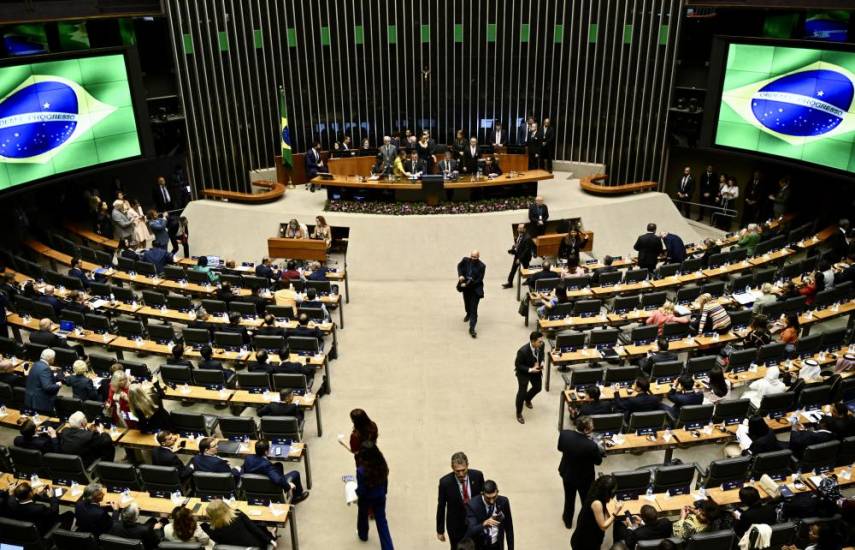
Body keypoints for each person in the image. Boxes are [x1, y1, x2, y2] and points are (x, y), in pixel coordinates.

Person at [557, 416, 604, 529]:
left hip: (567, 473)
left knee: (569, 498)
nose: (593, 427)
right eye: (592, 426)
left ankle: (567, 521)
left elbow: (560, 448)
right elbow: (598, 462)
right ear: (586, 430)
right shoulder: (591, 446)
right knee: (586, 501)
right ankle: (584, 522)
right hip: (584, 478)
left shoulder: (564, 434)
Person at [436, 452, 486, 549]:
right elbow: (441, 506)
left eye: (463, 470)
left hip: (476, 524)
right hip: (455, 526)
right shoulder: (445, 482)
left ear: (467, 465)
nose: (461, 474)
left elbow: (483, 499)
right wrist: (440, 530)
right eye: (457, 471)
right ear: (452, 467)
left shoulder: (477, 476)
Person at [241, 440, 310, 503]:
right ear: (266, 452)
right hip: (269, 486)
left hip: (254, 486)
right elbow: (278, 480)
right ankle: (297, 497)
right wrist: (288, 486)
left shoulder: (248, 458)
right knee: (295, 473)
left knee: (278, 465)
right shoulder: (266, 465)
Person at [356, 441, 394, 549]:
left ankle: (363, 534)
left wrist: (356, 493)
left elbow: (362, 490)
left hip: (366, 498)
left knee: (362, 515)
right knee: (382, 521)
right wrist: (384, 492)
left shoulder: (361, 470)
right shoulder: (382, 464)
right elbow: (385, 480)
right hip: (380, 496)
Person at [570, 474, 620, 550]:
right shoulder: (597, 503)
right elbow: (603, 526)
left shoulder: (595, 490)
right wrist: (615, 512)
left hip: (588, 534)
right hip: (586, 541)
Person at [8, 480, 73, 534]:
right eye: (32, 489)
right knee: (69, 514)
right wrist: (52, 497)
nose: (33, 490)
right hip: (44, 529)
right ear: (30, 493)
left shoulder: (13, 505)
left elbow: (25, 501)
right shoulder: (39, 508)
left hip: (30, 530)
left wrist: (36, 495)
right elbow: (55, 511)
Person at [202, 499, 274, 548]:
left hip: (234, 548)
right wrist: (269, 540)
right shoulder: (238, 514)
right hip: (253, 546)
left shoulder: (213, 530)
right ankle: (272, 535)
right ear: (225, 507)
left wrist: (203, 524)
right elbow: (253, 528)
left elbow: (216, 539)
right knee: (259, 525)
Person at [465, 479, 514, 550]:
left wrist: (511, 548)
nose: (492, 501)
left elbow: (509, 528)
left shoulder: (503, 502)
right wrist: (483, 524)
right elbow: (471, 530)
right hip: (480, 546)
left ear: (497, 492)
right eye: (488, 498)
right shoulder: (472, 505)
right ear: (482, 493)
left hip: (497, 545)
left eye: (494, 497)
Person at [514, 331, 544, 424]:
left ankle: (528, 399)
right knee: (522, 393)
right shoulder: (522, 351)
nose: (541, 343)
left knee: (538, 387)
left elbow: (541, 355)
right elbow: (518, 365)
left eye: (541, 341)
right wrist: (530, 370)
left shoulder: (541, 345)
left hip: (536, 369)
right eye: (539, 342)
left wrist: (542, 361)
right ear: (533, 341)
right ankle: (519, 413)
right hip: (524, 372)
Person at [457, 250, 486, 338]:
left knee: (474, 309)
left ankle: (472, 328)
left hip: (475, 289)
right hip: (465, 288)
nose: (473, 259)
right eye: (472, 256)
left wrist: (467, 284)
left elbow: (479, 280)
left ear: (478, 257)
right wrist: (460, 275)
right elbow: (459, 266)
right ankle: (468, 313)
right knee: (467, 304)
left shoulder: (482, 266)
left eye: (475, 257)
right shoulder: (465, 260)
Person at [24, 348, 62, 413]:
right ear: (51, 359)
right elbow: (47, 387)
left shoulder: (36, 364)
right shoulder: (45, 368)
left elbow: (39, 378)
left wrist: (53, 377)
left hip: (30, 399)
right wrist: (58, 385)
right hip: (40, 403)